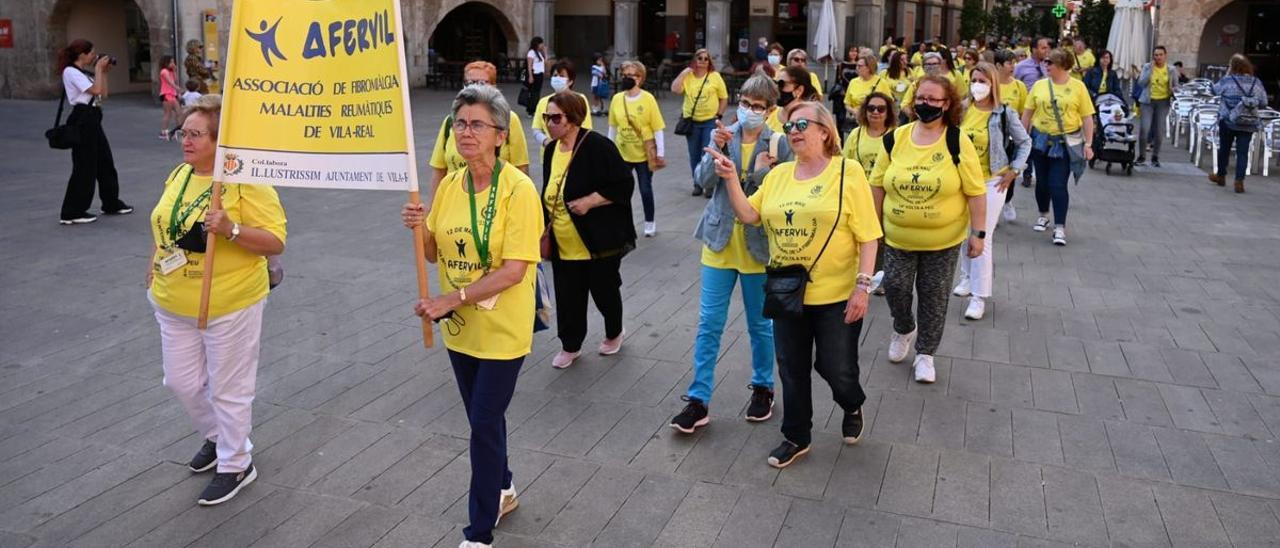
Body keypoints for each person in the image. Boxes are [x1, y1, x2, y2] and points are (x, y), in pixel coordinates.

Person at [400, 85, 541, 548]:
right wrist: (419, 226)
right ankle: (503, 485)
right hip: (461, 331)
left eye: (477, 124)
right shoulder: (450, 185)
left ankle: (479, 532)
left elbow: (514, 271)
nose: (465, 132)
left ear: (501, 135)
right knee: (485, 419)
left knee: (482, 423)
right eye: (459, 123)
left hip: (502, 329)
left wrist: (450, 300)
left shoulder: (519, 191)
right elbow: (434, 255)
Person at [709, 100, 880, 468]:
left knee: (837, 368)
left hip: (836, 294)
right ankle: (796, 435)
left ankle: (852, 402)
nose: (794, 131)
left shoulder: (847, 173)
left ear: (825, 130)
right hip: (788, 292)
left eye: (803, 123)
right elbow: (750, 214)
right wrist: (731, 179)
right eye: (788, 126)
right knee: (791, 367)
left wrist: (862, 286)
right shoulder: (778, 175)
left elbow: (869, 236)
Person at [148, 94, 286, 505]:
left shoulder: (246, 180)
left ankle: (236, 462)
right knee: (181, 381)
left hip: (230, 302)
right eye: (182, 133)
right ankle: (218, 435)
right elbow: (162, 225)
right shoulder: (180, 175)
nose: (185, 142)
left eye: (195, 134)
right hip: (172, 300)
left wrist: (232, 229)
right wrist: (152, 264)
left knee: (229, 387)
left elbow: (275, 239)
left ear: (219, 140)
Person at [670, 75, 793, 434]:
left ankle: (763, 387)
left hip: (757, 248)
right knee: (709, 323)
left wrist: (756, 176)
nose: (750, 111)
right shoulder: (723, 134)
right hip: (720, 243)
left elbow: (782, 193)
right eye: (746, 102)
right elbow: (704, 181)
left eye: (758, 106)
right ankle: (698, 399)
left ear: (770, 111)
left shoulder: (780, 144)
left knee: (760, 324)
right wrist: (719, 150)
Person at [869, 75, 986, 383]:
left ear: (947, 105)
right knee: (895, 287)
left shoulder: (957, 141)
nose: (926, 104)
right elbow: (877, 184)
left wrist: (979, 233)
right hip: (897, 237)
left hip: (942, 241)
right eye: (921, 97)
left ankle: (925, 354)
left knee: (934, 297)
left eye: (934, 99)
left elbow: (975, 191)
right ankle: (904, 328)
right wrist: (873, 226)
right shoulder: (896, 139)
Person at [541, 91, 636, 369]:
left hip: (598, 239)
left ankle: (614, 331)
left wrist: (590, 201)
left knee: (604, 291)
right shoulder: (550, 149)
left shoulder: (597, 146)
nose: (549, 122)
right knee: (568, 294)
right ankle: (570, 345)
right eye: (547, 117)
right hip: (562, 238)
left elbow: (623, 185)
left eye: (555, 117)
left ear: (573, 118)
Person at [952, 63, 1031, 320]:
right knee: (964, 234)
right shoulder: (962, 110)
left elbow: (1024, 142)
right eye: (973, 79)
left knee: (981, 237)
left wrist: (1015, 170)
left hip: (992, 182)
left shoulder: (1004, 113)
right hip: (961, 181)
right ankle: (966, 277)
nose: (977, 84)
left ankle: (979, 296)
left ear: (993, 84)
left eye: (983, 80)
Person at [1022, 49, 1095, 246]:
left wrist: (1088, 144)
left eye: (1050, 62)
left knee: (1057, 184)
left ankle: (1060, 227)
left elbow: (1087, 117)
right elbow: (1028, 113)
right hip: (1040, 140)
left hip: (1064, 143)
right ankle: (1043, 214)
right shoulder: (1039, 85)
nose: (1046, 65)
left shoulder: (1078, 87)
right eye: (1046, 62)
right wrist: (1022, 138)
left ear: (1062, 65)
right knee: (1043, 182)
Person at [57, 39, 133, 225]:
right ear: (81, 54)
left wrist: (104, 72)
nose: (94, 56)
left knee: (105, 161)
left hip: (93, 118)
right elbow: (95, 89)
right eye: (91, 53)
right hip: (82, 119)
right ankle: (72, 211)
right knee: (85, 165)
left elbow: (102, 94)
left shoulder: (83, 73)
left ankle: (111, 202)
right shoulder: (71, 71)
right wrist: (99, 69)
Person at [428, 61, 531, 195]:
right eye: (469, 83)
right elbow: (439, 169)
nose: (474, 88)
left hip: (496, 198)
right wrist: (433, 209)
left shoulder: (509, 120)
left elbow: (521, 166)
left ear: (494, 87)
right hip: (455, 198)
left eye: (481, 83)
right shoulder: (450, 120)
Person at [608, 61, 667, 236]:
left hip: (643, 153)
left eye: (631, 75)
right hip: (622, 152)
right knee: (620, 190)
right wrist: (610, 151)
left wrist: (660, 153)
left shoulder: (648, 99)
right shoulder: (617, 99)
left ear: (640, 78)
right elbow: (613, 127)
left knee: (645, 188)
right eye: (624, 75)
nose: (627, 78)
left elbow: (657, 128)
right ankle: (621, 222)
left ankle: (649, 222)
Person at [672, 48, 729, 196]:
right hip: (692, 122)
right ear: (695, 60)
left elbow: (724, 97)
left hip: (710, 120)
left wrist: (719, 115)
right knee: (694, 154)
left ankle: (708, 184)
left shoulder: (715, 76)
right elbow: (675, 89)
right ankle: (697, 183)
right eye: (700, 58)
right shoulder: (689, 76)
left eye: (706, 59)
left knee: (709, 153)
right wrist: (684, 72)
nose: (703, 61)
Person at [1209, 54, 1269, 193]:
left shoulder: (1227, 80)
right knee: (1242, 153)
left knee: (1224, 149)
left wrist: (1226, 75)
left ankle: (1221, 176)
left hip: (1228, 120)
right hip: (1248, 123)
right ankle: (1239, 181)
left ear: (1232, 66)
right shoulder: (1256, 82)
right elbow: (1264, 103)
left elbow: (1213, 91)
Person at [994, 49, 1029, 221]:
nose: (1012, 66)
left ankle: (1007, 200)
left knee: (1010, 170)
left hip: (1011, 137)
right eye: (1009, 63)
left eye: (1013, 63)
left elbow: (1024, 112)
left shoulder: (1019, 87)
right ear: (998, 65)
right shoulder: (991, 85)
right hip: (992, 136)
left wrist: (1021, 135)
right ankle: (993, 206)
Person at [531, 60, 594, 147]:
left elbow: (586, 128)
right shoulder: (543, 102)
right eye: (555, 75)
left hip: (573, 150)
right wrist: (546, 141)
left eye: (561, 76)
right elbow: (536, 129)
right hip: (549, 152)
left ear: (570, 81)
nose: (557, 78)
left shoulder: (579, 100)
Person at [1135, 45, 1179, 167]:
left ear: (1165, 56)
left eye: (1160, 55)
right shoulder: (1147, 67)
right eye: (1156, 55)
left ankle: (1155, 156)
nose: (1158, 57)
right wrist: (1150, 70)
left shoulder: (1171, 69)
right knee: (1144, 128)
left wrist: (1173, 89)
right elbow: (1141, 83)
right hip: (1147, 102)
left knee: (1159, 130)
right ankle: (1142, 155)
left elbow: (1176, 86)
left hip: (1163, 102)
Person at [843, 91, 898, 179]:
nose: (875, 112)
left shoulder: (897, 135)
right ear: (865, 111)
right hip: (859, 187)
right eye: (871, 108)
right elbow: (844, 164)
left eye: (881, 109)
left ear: (888, 113)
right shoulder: (855, 134)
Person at [843, 51, 893, 124]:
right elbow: (847, 103)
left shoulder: (881, 82)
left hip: (875, 120)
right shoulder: (853, 82)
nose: (857, 68)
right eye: (856, 65)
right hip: (857, 120)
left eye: (860, 66)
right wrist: (854, 111)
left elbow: (889, 103)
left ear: (869, 68)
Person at [766, 66, 817, 133]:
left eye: (781, 84)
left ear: (799, 90)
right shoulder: (771, 114)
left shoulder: (814, 119)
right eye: (775, 83)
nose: (776, 88)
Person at [158, 55, 180, 141]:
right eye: (171, 62)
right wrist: (177, 88)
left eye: (173, 62)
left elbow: (176, 80)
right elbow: (170, 82)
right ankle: (163, 132)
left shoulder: (171, 71)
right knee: (168, 113)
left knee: (178, 112)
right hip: (166, 94)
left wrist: (174, 71)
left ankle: (179, 130)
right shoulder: (164, 71)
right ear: (166, 63)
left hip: (172, 94)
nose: (173, 64)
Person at [525, 37, 547, 116]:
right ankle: (531, 110)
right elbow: (529, 65)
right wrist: (530, 76)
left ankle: (535, 108)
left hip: (540, 74)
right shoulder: (531, 52)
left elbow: (545, 62)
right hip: (535, 74)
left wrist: (545, 52)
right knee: (533, 93)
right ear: (537, 44)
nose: (542, 45)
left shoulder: (539, 53)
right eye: (541, 43)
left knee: (537, 93)